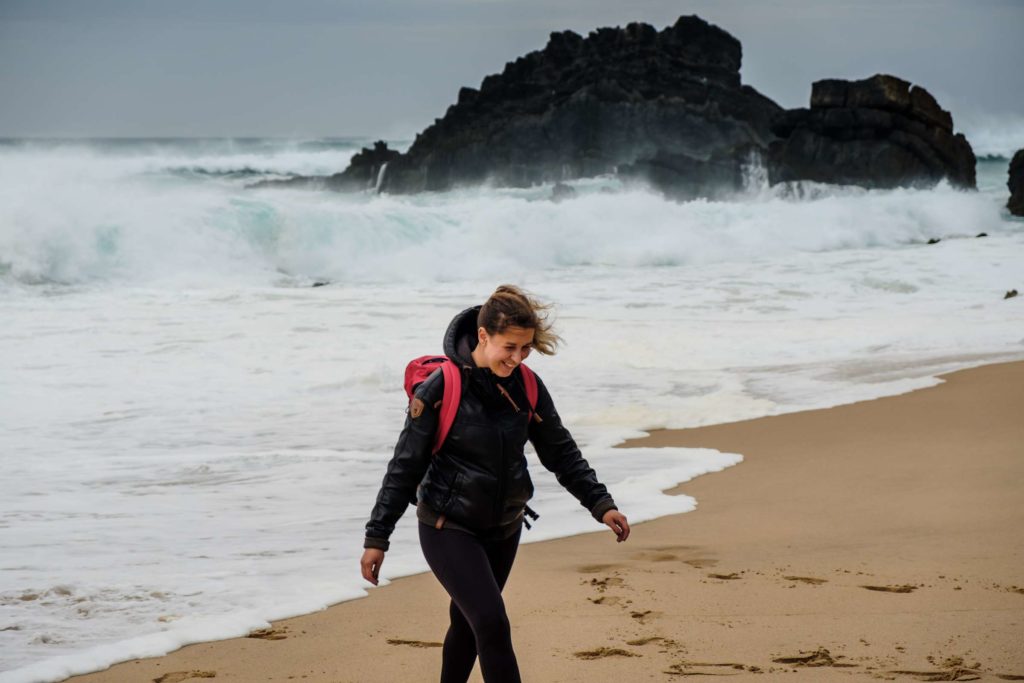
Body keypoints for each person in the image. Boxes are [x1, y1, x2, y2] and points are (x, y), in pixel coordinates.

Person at [360, 285, 630, 683]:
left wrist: (600, 503)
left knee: (470, 626)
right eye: (509, 347)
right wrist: (376, 536)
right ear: (483, 336)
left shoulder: (529, 386)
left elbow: (561, 452)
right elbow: (405, 466)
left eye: (526, 349)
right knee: (491, 622)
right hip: (447, 526)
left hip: (504, 527)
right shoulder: (441, 387)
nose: (517, 358)